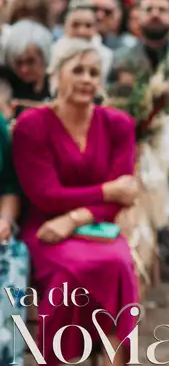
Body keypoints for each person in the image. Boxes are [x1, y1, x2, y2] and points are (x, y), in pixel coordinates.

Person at [11, 39, 140, 365]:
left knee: (119, 264)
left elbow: (121, 199)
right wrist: (106, 191)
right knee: (73, 272)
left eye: (94, 73)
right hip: (44, 229)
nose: (87, 79)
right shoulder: (31, 125)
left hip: (99, 229)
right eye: (78, 70)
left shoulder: (118, 124)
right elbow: (45, 195)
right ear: (56, 75)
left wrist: (74, 218)